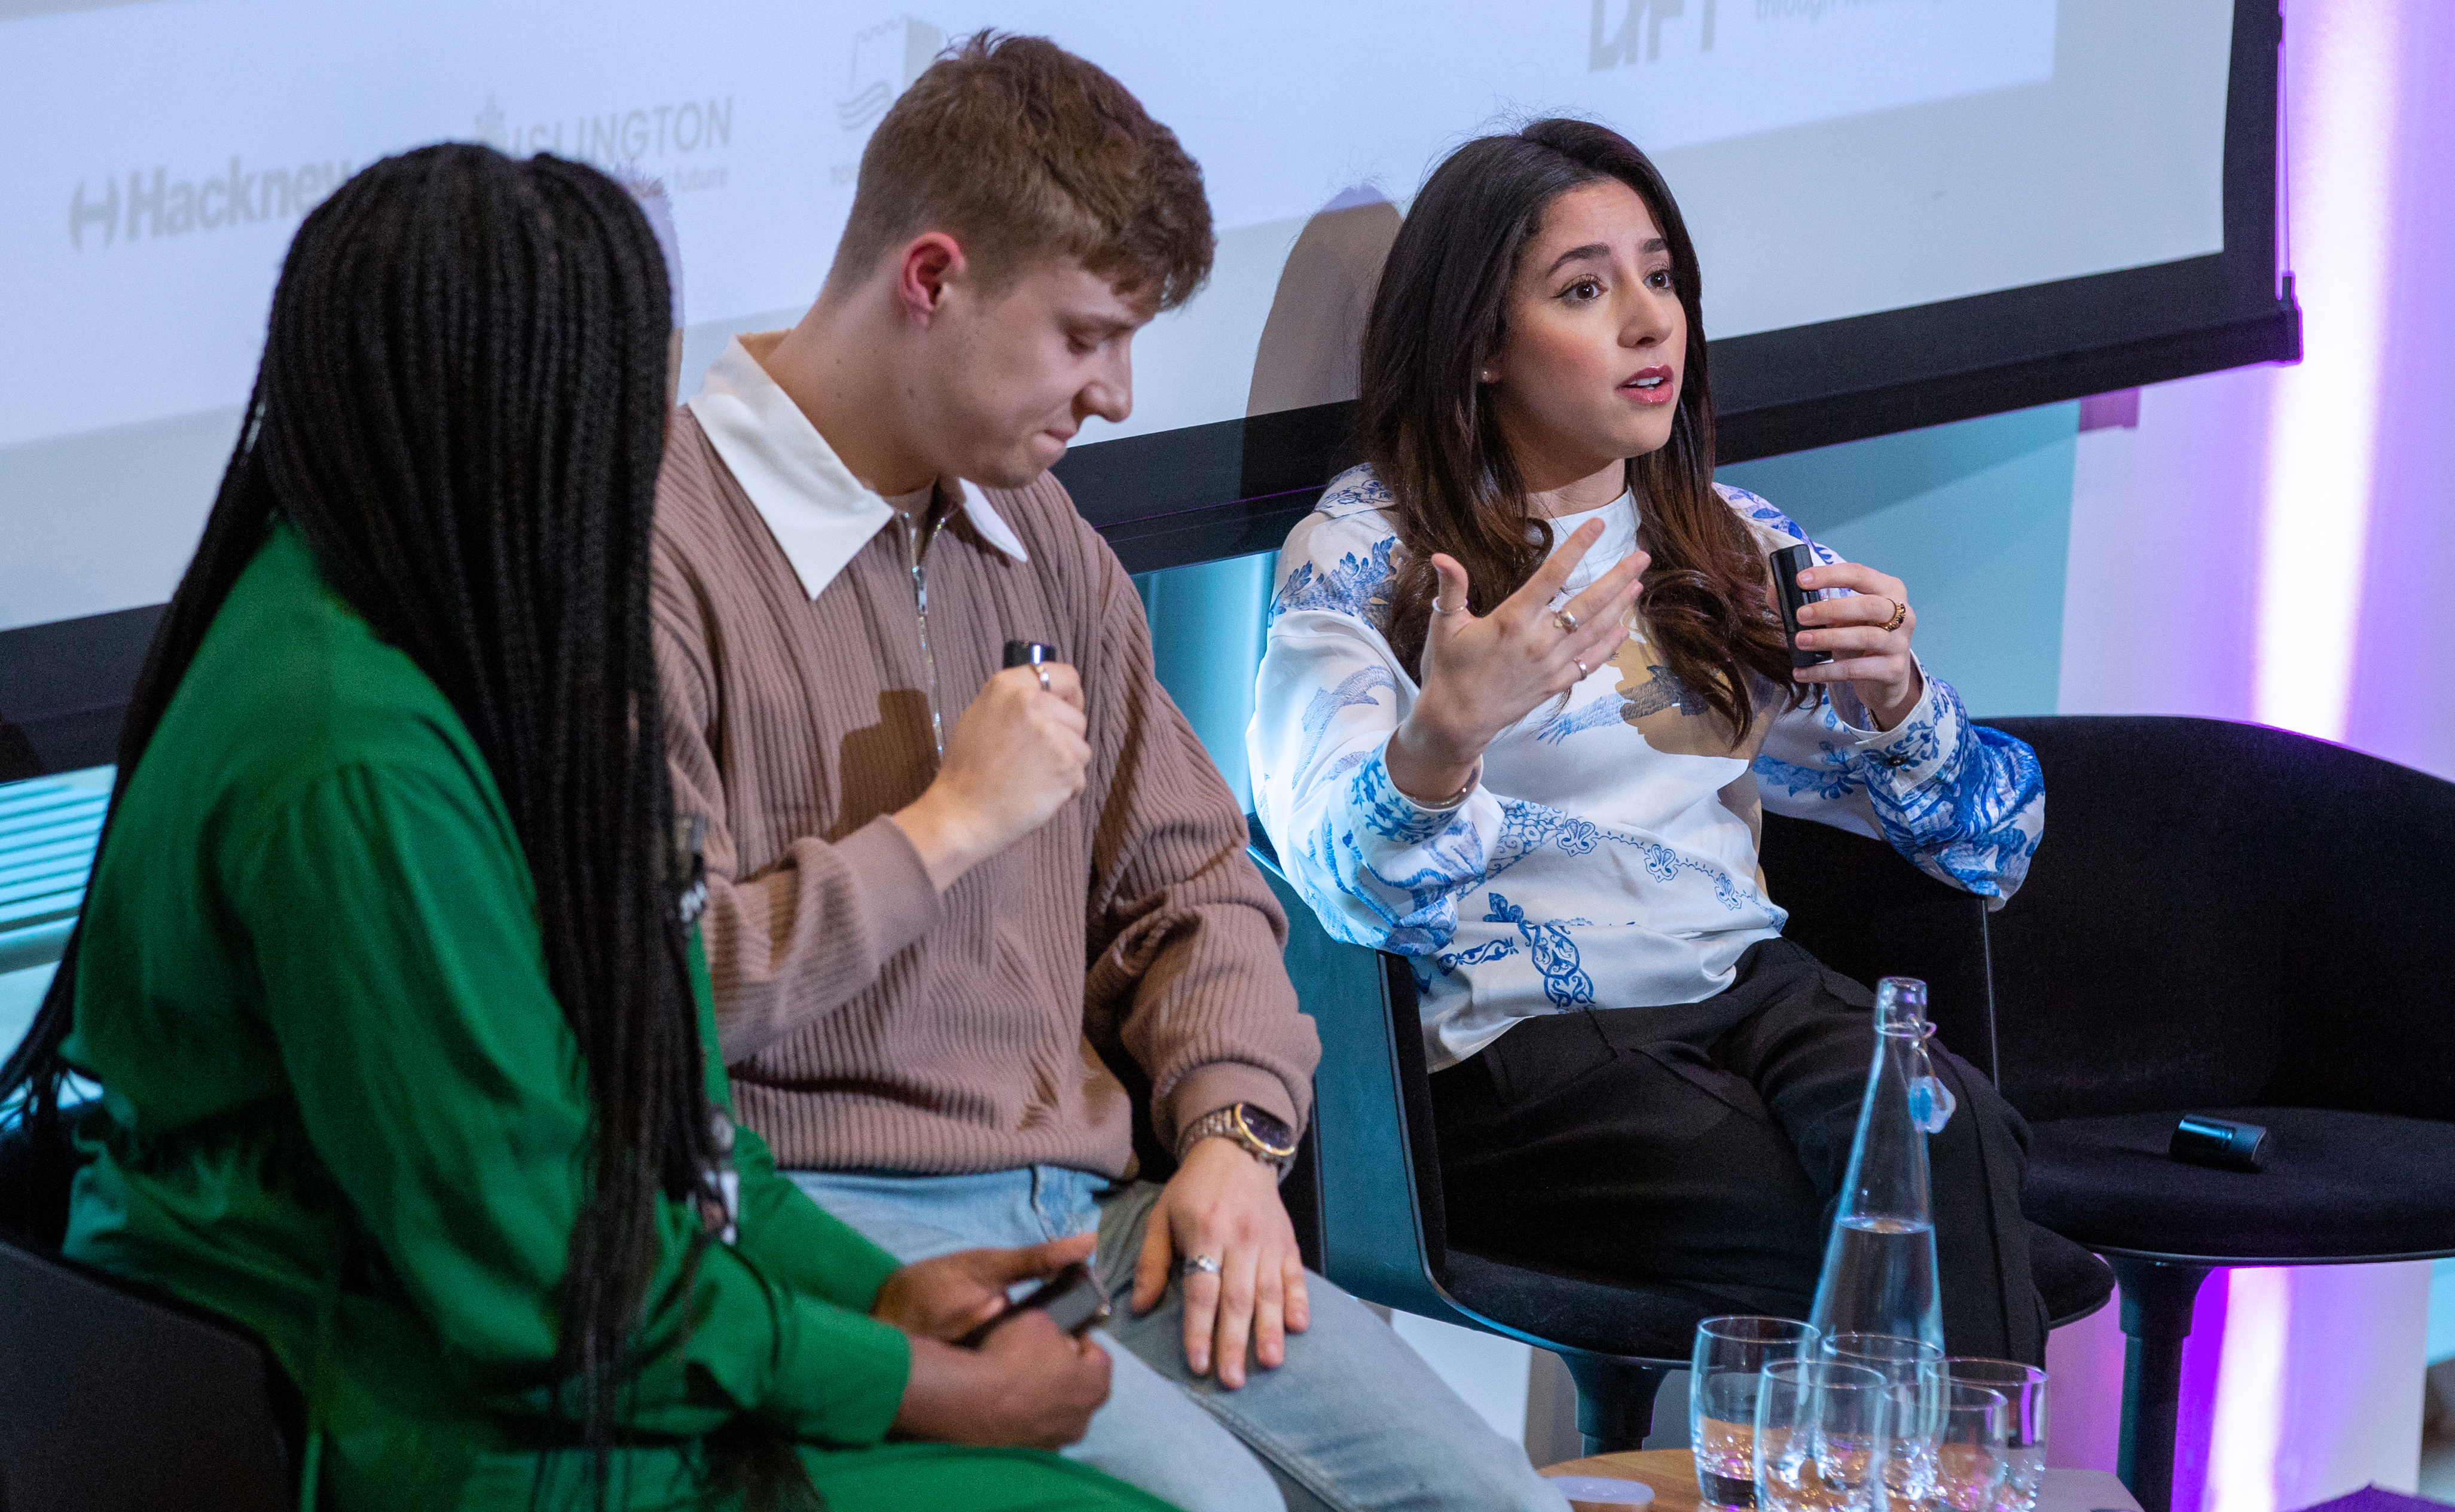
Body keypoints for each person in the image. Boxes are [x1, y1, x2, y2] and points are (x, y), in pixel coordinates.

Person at [0, 144, 1173, 1511]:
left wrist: (878, 1290)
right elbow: (537, 1282)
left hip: (516, 1354)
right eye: (625, 408)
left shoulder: (411, 627)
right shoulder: (353, 756)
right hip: (415, 1414)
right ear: (525, 419)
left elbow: (654, 1102)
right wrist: (907, 1380)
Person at [652, 32, 1563, 1512]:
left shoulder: (1046, 537)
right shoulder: (664, 549)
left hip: (1103, 1212)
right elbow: (647, 1001)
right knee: (1218, 1506)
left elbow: (1198, 887)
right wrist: (942, 830)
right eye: (1085, 337)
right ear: (931, 280)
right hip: (827, 1234)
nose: (1121, 396)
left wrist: (1232, 1136)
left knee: (1502, 1504)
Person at [1247, 119, 2051, 1364]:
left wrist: (1902, 706)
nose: (1647, 321)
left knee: (1945, 1139)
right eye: (1584, 289)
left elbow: (1993, 846)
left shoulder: (1731, 538)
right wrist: (1444, 735)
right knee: (1887, 1242)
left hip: (1740, 985)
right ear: (1480, 347)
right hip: (1518, 1048)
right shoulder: (1367, 553)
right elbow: (1340, 883)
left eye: (1660, 277)